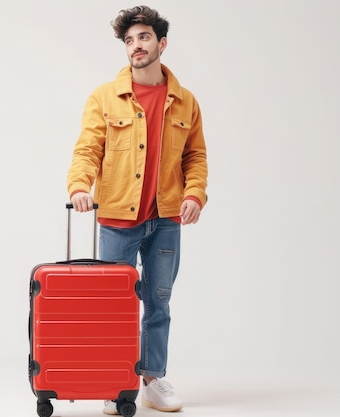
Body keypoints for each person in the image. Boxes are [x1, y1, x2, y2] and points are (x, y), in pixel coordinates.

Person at [67, 5, 208, 414]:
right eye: (129, 40)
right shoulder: (105, 97)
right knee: (114, 304)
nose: (135, 46)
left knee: (159, 300)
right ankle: (117, 381)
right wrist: (79, 185)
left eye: (143, 37)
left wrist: (194, 194)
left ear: (161, 44)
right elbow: (88, 148)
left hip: (166, 218)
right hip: (116, 217)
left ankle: (151, 379)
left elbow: (196, 157)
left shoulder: (185, 102)